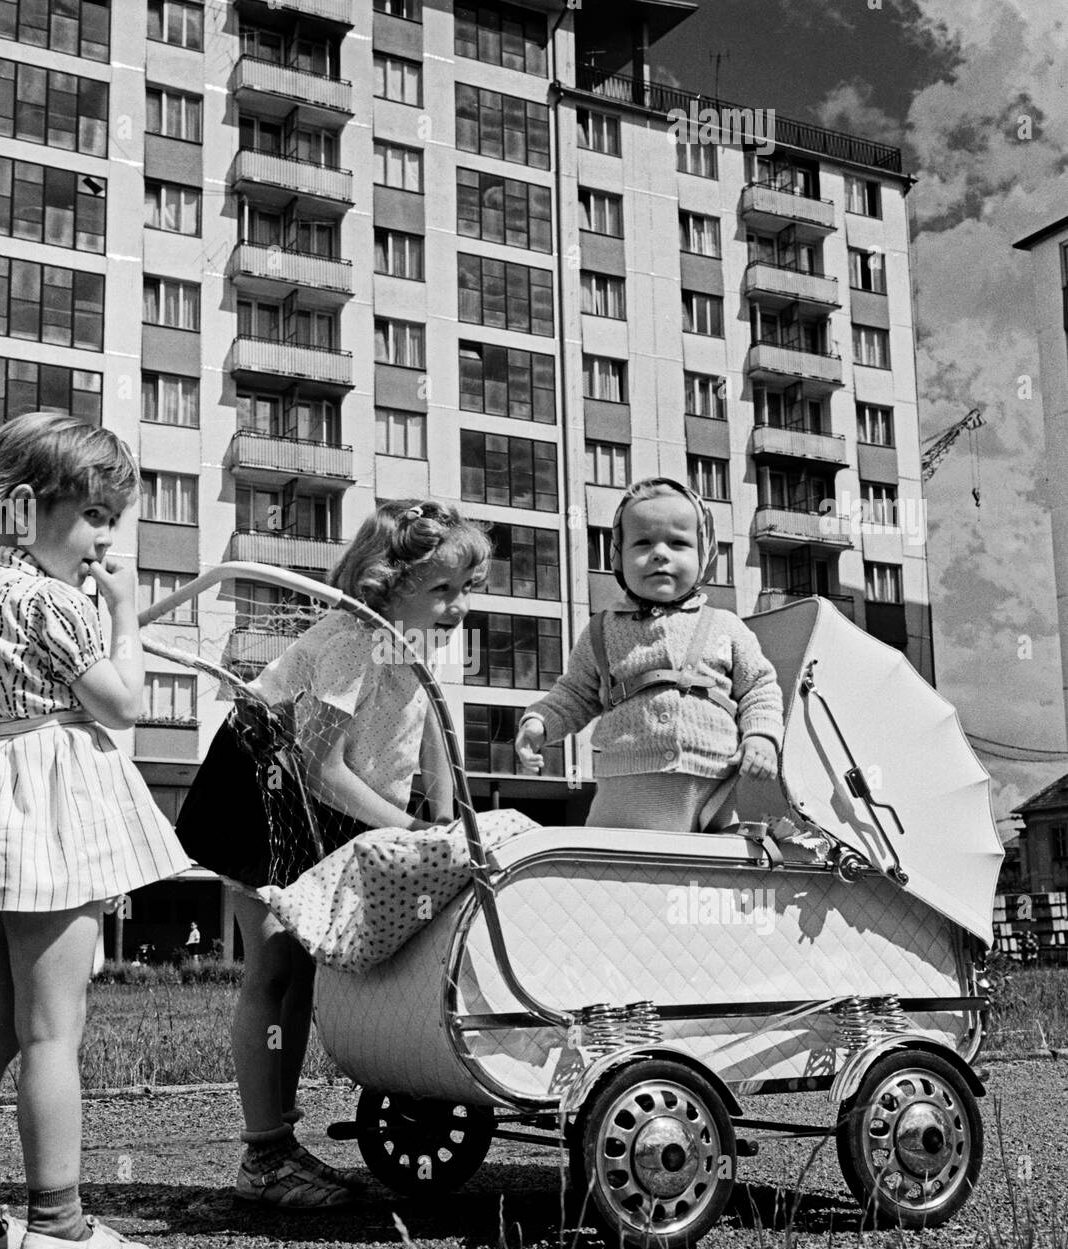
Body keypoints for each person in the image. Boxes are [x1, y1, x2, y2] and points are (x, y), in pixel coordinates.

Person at [0, 413, 189, 1249]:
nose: (108, 538)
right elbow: (121, 703)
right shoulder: (56, 602)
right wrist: (126, 615)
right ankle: (59, 1228)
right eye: (97, 515)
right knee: (53, 1031)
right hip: (49, 821)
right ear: (26, 509)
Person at [180, 500, 489, 1208]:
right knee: (276, 970)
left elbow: (434, 732)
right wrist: (408, 831)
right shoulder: (353, 638)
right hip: (266, 796)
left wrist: (446, 816)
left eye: (464, 589)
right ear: (387, 583)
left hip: (321, 808)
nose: (457, 607)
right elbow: (322, 765)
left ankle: (276, 1147)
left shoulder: (407, 642)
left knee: (304, 973)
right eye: (441, 589)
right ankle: (265, 1154)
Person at [516, 478, 782, 831]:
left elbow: (759, 689)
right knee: (617, 869)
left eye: (678, 543)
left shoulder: (726, 626)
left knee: (715, 874)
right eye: (642, 543)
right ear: (618, 556)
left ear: (705, 554)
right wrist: (538, 723)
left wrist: (761, 736)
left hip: (713, 789)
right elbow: (575, 694)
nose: (659, 553)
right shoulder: (602, 629)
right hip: (626, 786)